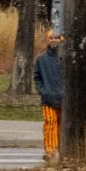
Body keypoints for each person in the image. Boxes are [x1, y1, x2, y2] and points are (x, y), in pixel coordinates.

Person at [33, 31, 63, 160]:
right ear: (48, 39)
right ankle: (50, 150)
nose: (54, 40)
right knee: (50, 123)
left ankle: (61, 148)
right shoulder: (41, 59)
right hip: (48, 97)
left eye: (56, 38)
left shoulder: (65, 58)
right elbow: (37, 77)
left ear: (61, 40)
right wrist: (42, 91)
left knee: (61, 124)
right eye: (51, 38)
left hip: (64, 97)